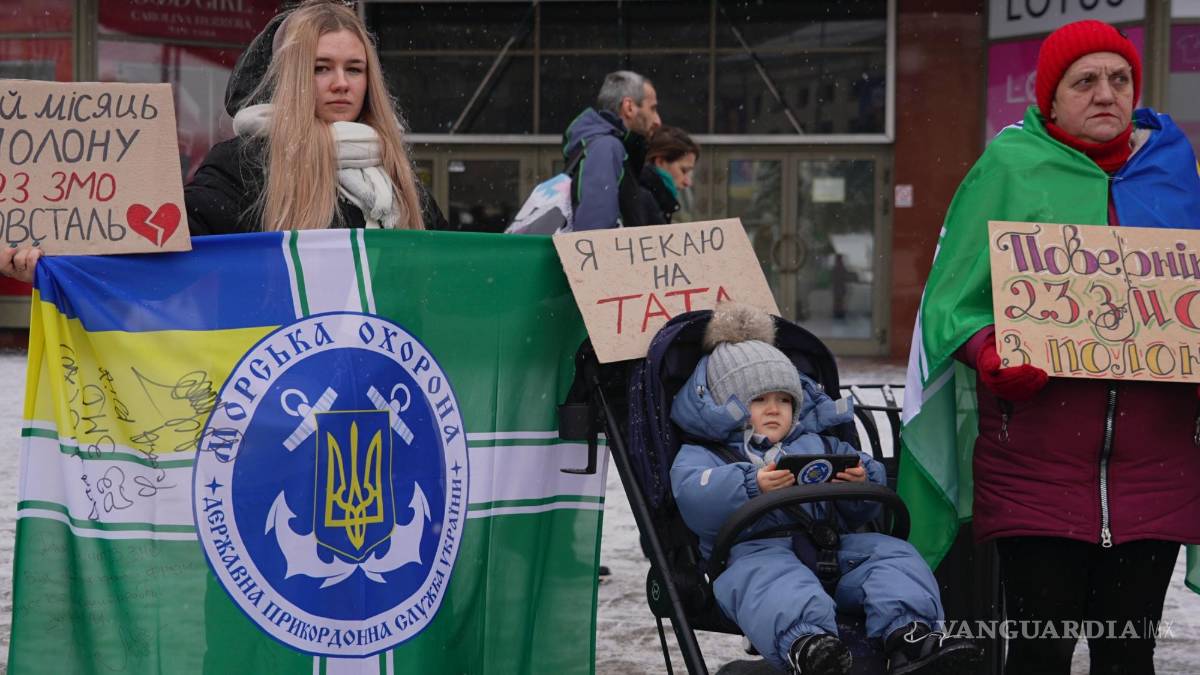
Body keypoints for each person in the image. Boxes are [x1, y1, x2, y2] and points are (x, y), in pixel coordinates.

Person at [907, 20, 1200, 675]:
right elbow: (951, 296)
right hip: (1035, 464)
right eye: (1086, 80)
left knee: (1128, 653)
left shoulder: (1176, 169)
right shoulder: (1008, 167)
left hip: (1156, 467)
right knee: (1040, 650)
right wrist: (987, 350)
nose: (1106, 93)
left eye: (1119, 79)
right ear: (1050, 96)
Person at [671, 304, 981, 674]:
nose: (774, 409)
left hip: (831, 548)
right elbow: (694, 496)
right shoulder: (704, 453)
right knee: (772, 582)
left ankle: (909, 634)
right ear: (726, 405)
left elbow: (859, 487)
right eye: (759, 400)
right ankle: (809, 645)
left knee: (891, 556)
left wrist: (862, 482)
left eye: (784, 400)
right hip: (753, 553)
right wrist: (749, 484)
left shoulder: (816, 442)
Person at [184, 0, 445, 234]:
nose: (341, 83)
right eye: (321, 68)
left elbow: (447, 270)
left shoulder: (394, 169)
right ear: (291, 77)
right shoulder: (246, 165)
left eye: (354, 69)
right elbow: (171, 237)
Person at [562, 70, 662, 231]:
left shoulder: (606, 146)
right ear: (629, 107)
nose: (658, 120)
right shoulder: (607, 147)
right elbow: (594, 231)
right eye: (653, 108)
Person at [636, 126, 700, 224]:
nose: (688, 182)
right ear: (660, 162)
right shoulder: (643, 200)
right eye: (683, 170)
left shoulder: (651, 199)